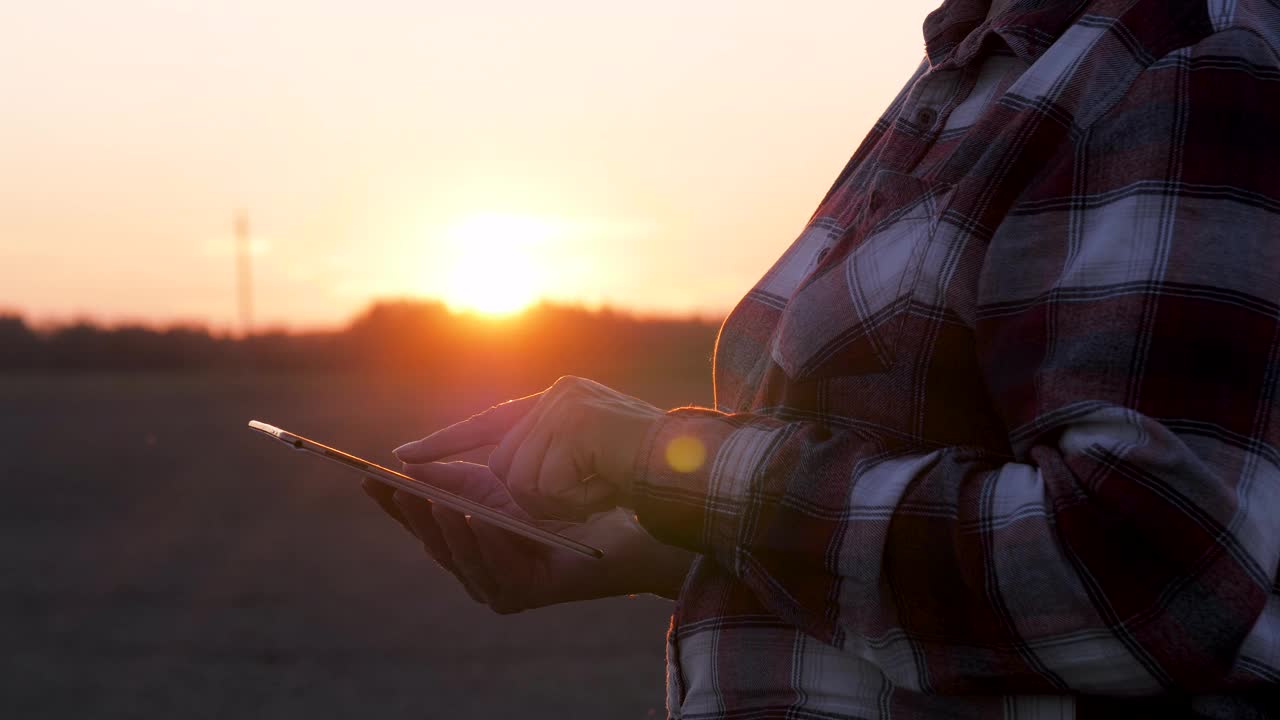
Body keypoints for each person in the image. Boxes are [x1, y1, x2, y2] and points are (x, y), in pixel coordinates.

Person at [364, 0, 1280, 716]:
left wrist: (656, 459)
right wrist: (643, 549)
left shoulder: (1177, 59)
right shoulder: (977, 65)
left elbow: (1148, 573)